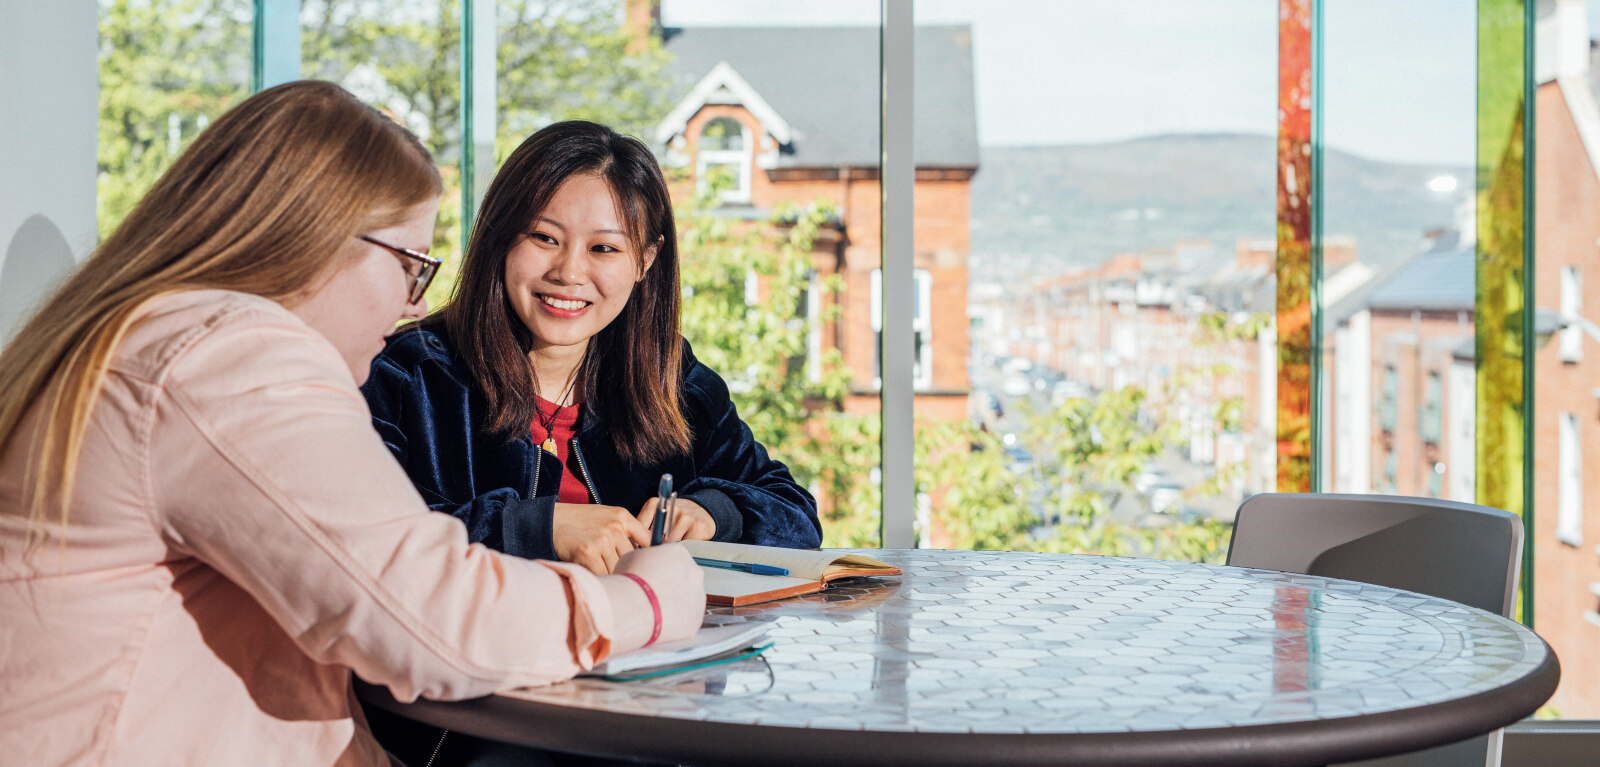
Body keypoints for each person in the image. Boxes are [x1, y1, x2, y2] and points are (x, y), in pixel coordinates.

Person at [0, 81, 704, 767]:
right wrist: (647, 596)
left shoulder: (144, 336)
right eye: (409, 263)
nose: (409, 304)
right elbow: (437, 623)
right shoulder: (228, 357)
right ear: (312, 238)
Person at [360, 120, 822, 578]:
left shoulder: (670, 376)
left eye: (603, 248)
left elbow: (794, 513)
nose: (569, 272)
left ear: (645, 261)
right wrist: (539, 527)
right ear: (501, 239)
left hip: (656, 644)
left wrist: (715, 512)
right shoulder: (407, 375)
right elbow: (368, 544)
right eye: (544, 238)